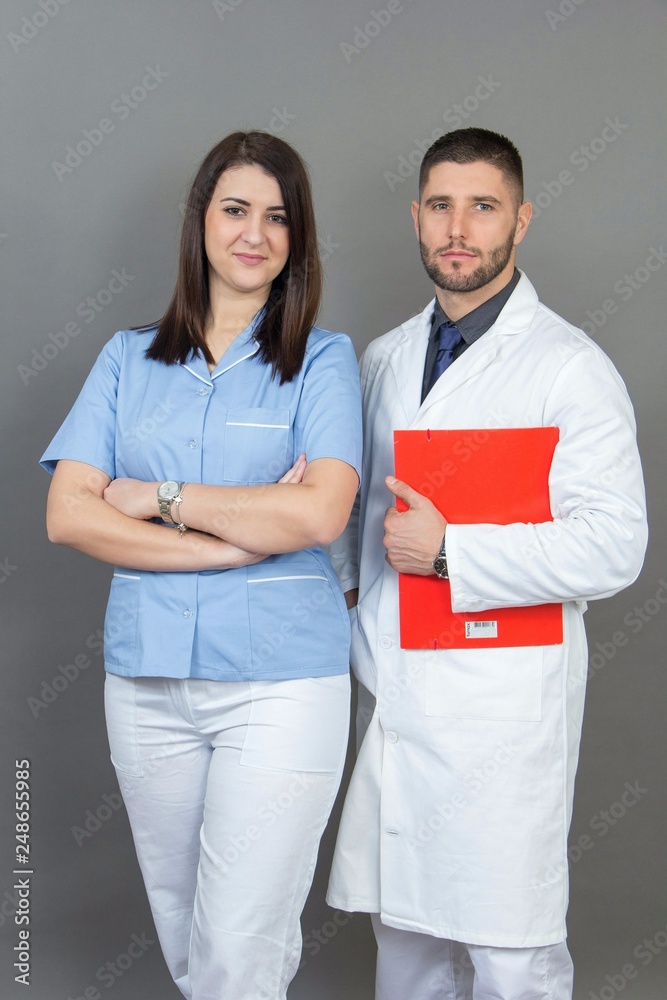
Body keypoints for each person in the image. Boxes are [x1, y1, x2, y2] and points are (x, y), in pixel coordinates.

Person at [326, 127, 647, 1000]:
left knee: (511, 954)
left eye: (482, 206)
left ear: (521, 220)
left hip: (501, 717)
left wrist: (450, 552)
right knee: (407, 945)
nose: (458, 228)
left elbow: (614, 543)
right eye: (440, 206)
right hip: (396, 698)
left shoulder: (569, 367)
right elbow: (354, 525)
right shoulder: (383, 358)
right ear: (415, 218)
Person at [40, 131, 362, 1000]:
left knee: (238, 948)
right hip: (147, 685)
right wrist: (234, 540)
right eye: (235, 210)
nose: (254, 234)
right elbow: (69, 516)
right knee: (189, 944)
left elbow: (318, 512)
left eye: (277, 217)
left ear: (297, 236)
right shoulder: (126, 358)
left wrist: (159, 496)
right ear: (200, 221)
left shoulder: (322, 360)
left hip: (280, 685)